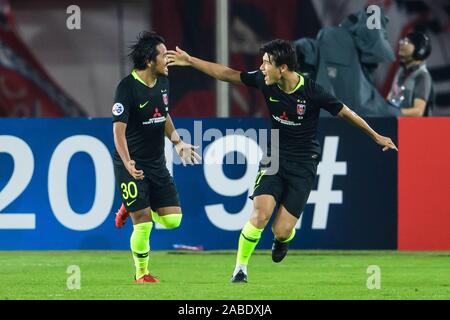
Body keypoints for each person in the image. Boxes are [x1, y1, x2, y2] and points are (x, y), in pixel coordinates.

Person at [167, 39, 398, 283]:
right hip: (274, 157)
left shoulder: (312, 91)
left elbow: (345, 112)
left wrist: (377, 136)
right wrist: (190, 60)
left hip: (304, 163)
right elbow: (227, 74)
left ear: (284, 68)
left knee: (282, 229)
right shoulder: (265, 81)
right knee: (260, 214)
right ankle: (240, 269)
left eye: (267, 63)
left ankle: (281, 241)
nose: (262, 68)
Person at [112, 31, 201, 283]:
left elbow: (163, 114)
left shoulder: (163, 82)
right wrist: (128, 162)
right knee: (144, 222)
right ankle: (142, 274)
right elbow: (118, 132)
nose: (168, 60)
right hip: (131, 164)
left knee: (173, 219)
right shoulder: (126, 88)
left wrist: (178, 142)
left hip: (156, 162)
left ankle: (130, 206)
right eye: (163, 56)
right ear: (150, 61)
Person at [387, 31, 434, 116]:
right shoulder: (401, 71)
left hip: (411, 127)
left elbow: (418, 112)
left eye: (407, 42)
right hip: (394, 123)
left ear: (420, 50)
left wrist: (392, 112)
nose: (401, 43)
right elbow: (390, 99)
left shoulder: (422, 76)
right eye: (403, 41)